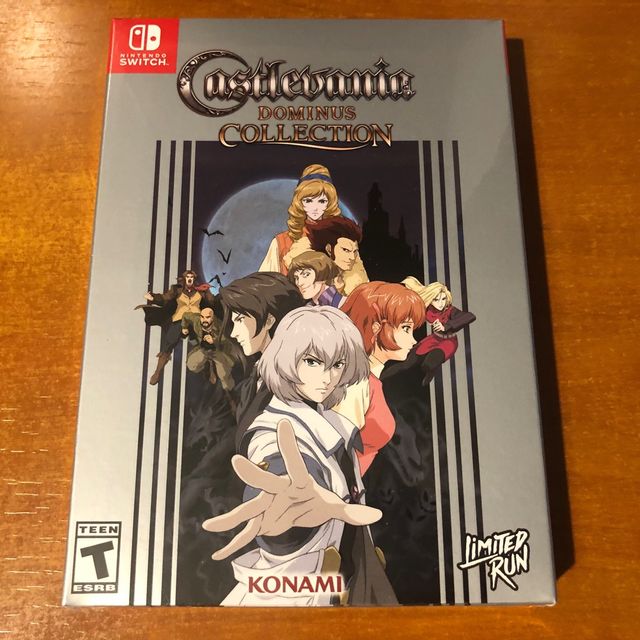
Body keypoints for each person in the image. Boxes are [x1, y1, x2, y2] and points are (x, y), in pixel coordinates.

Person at [202, 306, 397, 606]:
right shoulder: (274, 429)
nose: (327, 377)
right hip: (294, 595)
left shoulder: (331, 422)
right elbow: (279, 469)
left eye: (337, 364)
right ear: (286, 359)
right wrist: (286, 524)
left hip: (347, 585)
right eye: (312, 362)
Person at [334, 282, 425, 475]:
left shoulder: (367, 381)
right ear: (376, 327)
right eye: (406, 328)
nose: (413, 340)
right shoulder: (356, 382)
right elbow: (333, 452)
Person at [218, 272, 304, 438]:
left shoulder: (293, 381)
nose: (234, 333)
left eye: (240, 320)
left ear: (269, 320)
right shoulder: (253, 379)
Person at [258, 164, 341, 275]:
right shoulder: (281, 242)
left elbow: (355, 281)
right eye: (308, 201)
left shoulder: (342, 241)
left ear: (329, 203)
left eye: (321, 201)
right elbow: (265, 282)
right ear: (300, 203)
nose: (315, 207)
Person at [136, 270, 215, 385]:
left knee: (206, 342)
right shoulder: (177, 290)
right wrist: (153, 298)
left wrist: (207, 291)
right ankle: (158, 372)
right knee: (169, 343)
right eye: (187, 277)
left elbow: (211, 303)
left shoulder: (200, 292)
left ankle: (210, 369)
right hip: (179, 319)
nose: (189, 279)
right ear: (184, 279)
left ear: (194, 279)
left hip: (196, 320)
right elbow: (165, 298)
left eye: (191, 277)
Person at [399, 277, 476, 385]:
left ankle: (430, 373)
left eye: (443, 299)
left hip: (448, 341)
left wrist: (446, 326)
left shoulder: (450, 310)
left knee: (427, 365)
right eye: (436, 300)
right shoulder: (426, 309)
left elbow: (470, 316)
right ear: (430, 299)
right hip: (434, 338)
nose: (441, 303)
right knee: (407, 363)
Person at [306, 217, 369, 295]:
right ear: (329, 249)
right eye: (346, 250)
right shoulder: (310, 278)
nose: (353, 257)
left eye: (355, 251)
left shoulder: (356, 280)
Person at [181, 307, 236, 391]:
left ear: (213, 318)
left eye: (207, 317)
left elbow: (227, 340)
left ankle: (229, 391)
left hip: (218, 350)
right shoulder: (197, 320)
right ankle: (206, 366)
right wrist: (184, 327)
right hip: (203, 350)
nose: (204, 320)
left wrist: (214, 340)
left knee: (223, 375)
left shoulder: (220, 325)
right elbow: (185, 315)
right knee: (191, 365)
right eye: (202, 317)